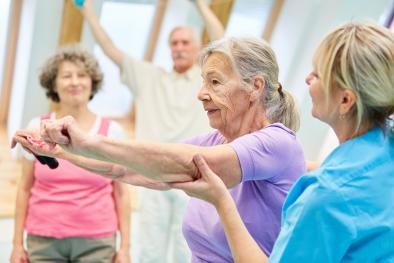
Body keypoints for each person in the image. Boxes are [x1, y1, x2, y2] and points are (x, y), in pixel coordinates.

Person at [13, 37, 306, 262]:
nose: (201, 93)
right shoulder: (214, 141)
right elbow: (122, 169)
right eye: (204, 82)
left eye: (214, 82)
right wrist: (61, 153)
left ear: (255, 87)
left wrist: (87, 141)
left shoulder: (278, 143)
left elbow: (195, 164)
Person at [174, 22, 394, 262]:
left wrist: (221, 201)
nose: (308, 78)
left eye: (317, 74)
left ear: (345, 100)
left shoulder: (326, 197)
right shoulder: (381, 159)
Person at [76, 1, 225, 261]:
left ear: (198, 47)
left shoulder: (206, 80)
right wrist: (87, 10)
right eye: (174, 43)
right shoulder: (148, 77)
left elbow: (221, 40)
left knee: (188, 248)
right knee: (150, 250)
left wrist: (200, 5)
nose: (179, 48)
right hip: (152, 175)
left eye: (185, 43)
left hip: (196, 174)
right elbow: (109, 49)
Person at [10, 45, 131, 263]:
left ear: (92, 81)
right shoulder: (36, 127)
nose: (75, 82)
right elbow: (24, 188)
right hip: (43, 241)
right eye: (66, 76)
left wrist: (125, 248)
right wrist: (17, 244)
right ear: (53, 84)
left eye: (82, 75)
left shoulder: (112, 131)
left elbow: (122, 193)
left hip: (98, 242)